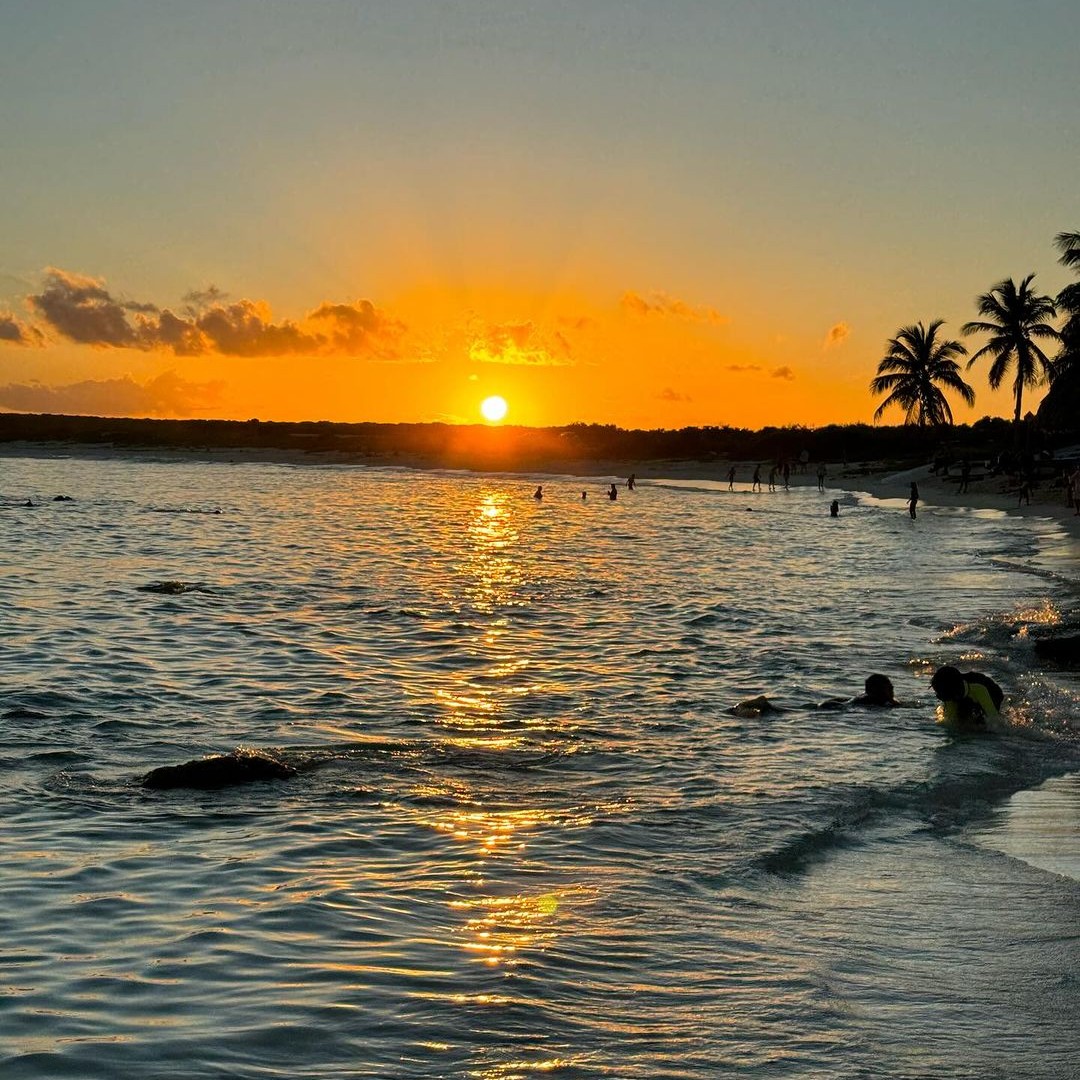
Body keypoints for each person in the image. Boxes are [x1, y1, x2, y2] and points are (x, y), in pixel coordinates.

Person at [930, 665, 1004, 730]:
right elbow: (951, 722)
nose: (941, 699)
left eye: (941, 696)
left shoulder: (979, 690)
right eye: (939, 696)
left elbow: (995, 721)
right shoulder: (948, 694)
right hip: (960, 691)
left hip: (993, 692)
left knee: (983, 724)